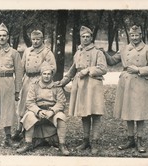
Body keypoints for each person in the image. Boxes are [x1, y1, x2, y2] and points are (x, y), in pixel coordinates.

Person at [103, 25, 148, 153]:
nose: (134, 38)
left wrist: (139, 69)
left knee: (139, 113)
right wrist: (103, 53)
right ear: (130, 36)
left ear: (141, 35)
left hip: (141, 83)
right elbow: (112, 61)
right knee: (128, 111)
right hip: (126, 83)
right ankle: (130, 139)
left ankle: (139, 140)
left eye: (136, 35)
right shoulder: (124, 49)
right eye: (132, 35)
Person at [56, 26, 107, 155]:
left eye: (87, 37)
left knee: (95, 114)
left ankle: (94, 141)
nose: (85, 39)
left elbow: (103, 69)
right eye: (83, 37)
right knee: (84, 113)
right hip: (81, 86)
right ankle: (86, 141)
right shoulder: (78, 52)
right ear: (80, 38)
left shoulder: (98, 52)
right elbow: (73, 69)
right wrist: (63, 81)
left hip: (93, 86)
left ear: (91, 38)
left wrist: (89, 70)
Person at [16, 62, 70, 156]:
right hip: (38, 111)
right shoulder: (34, 86)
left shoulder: (57, 87)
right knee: (29, 115)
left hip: (52, 111)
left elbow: (61, 102)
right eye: (44, 74)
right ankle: (28, 143)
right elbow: (30, 102)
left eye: (49, 74)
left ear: (52, 75)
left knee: (61, 116)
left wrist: (52, 111)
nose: (46, 76)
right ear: (41, 74)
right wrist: (38, 111)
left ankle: (62, 144)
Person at [12, 30, 57, 141]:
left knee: (36, 105)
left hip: (39, 81)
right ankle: (19, 129)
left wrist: (44, 79)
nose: (35, 42)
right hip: (27, 79)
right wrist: (19, 83)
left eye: (38, 39)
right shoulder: (27, 51)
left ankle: (36, 133)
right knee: (23, 104)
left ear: (42, 39)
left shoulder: (47, 52)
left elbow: (53, 68)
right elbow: (21, 67)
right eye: (33, 39)